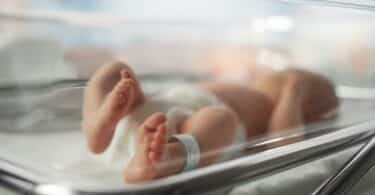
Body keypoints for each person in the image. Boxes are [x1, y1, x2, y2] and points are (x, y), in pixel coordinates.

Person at [82, 61, 338, 183]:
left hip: (187, 130)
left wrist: (292, 91)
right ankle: (100, 124)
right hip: (147, 110)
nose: (281, 76)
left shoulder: (275, 108)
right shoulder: (247, 86)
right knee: (115, 70)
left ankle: (171, 155)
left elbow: (284, 142)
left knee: (221, 119)